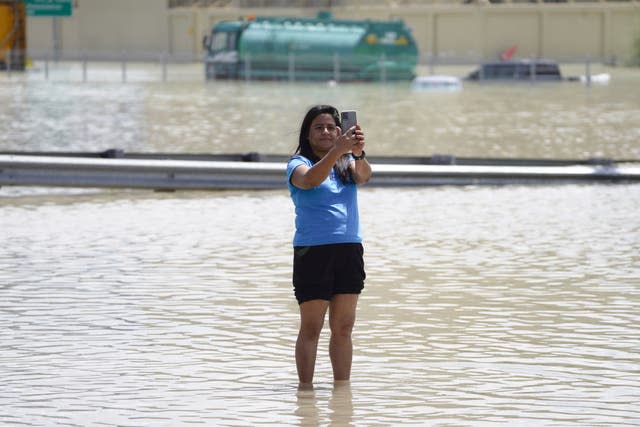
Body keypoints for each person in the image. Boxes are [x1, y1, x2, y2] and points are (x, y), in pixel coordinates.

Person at [286, 105, 372, 388]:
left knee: (344, 327)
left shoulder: (346, 162)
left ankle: (342, 394)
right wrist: (338, 149)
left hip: (349, 250)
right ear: (308, 135)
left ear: (340, 130)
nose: (325, 132)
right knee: (312, 327)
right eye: (318, 128)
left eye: (331, 127)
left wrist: (357, 153)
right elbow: (309, 181)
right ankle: (306, 393)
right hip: (314, 251)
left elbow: (364, 176)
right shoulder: (297, 163)